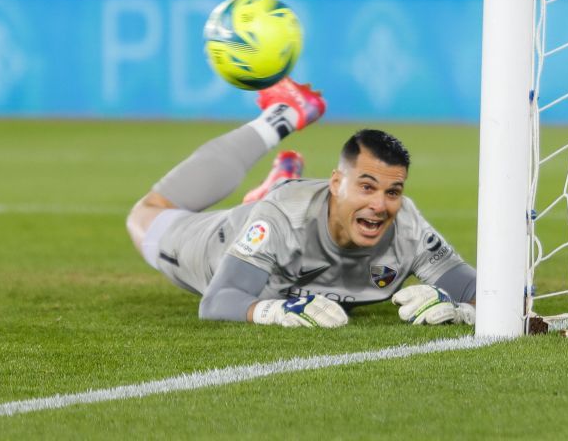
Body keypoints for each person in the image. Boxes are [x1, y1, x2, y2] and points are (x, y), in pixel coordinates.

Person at [126, 77, 477, 328]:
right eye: (366, 188)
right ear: (336, 183)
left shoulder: (408, 228)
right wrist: (277, 312)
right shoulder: (282, 219)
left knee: (280, 209)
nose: (381, 205)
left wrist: (462, 308)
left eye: (393, 192)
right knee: (147, 212)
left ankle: (276, 185)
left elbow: (481, 291)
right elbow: (219, 300)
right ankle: (280, 117)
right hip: (218, 245)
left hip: (284, 218)